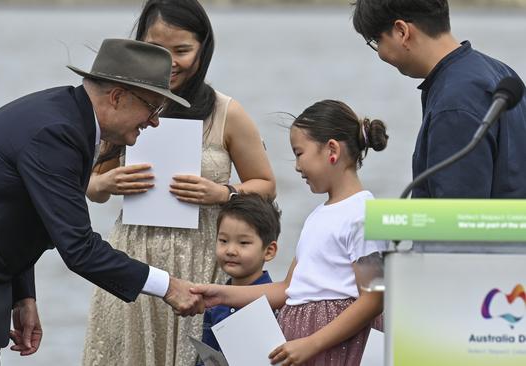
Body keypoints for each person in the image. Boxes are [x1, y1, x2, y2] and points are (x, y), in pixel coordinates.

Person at [0, 38, 205, 366]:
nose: (155, 121)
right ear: (118, 97)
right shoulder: (56, 133)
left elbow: (25, 213)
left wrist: (23, 295)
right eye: (153, 107)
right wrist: (168, 286)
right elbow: (79, 249)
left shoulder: (64, 115)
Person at [81, 1, 276, 366]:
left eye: (182, 51)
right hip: (134, 252)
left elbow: (266, 185)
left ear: (204, 50)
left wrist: (223, 193)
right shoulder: (121, 103)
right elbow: (90, 186)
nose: (168, 62)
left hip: (204, 256)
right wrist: (108, 181)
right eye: (157, 50)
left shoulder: (225, 112)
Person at [192, 100, 388, 366]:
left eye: (299, 153)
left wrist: (312, 343)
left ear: (331, 150)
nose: (296, 166)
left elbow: (374, 299)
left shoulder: (364, 214)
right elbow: (289, 289)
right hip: (303, 343)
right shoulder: (319, 214)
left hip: (332, 347)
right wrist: (219, 294)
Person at [352, 0, 526, 198]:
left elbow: (456, 219)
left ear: (402, 31)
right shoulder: (501, 72)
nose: (380, 53)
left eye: (377, 41)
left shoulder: (454, 102)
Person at [199, 193, 279, 358]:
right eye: (223, 240)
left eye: (243, 243)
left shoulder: (274, 304)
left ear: (269, 251)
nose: (230, 251)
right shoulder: (214, 302)